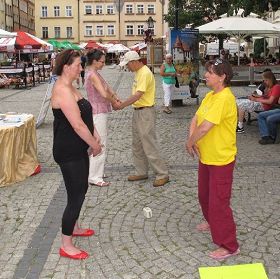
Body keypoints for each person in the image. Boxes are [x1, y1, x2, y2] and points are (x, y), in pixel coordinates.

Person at [186, 58, 240, 260]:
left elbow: (206, 126)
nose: (206, 74)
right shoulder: (210, 95)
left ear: (222, 77)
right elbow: (196, 119)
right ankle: (211, 221)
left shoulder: (225, 98)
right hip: (207, 157)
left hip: (221, 159)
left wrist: (191, 142)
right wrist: (191, 139)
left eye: (210, 72)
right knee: (204, 195)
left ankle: (230, 245)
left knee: (219, 202)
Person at [51, 49, 102, 260]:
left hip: (78, 147)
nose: (81, 68)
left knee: (81, 188)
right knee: (76, 195)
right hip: (68, 150)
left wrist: (95, 133)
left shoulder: (71, 86)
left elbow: (85, 115)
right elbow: (78, 125)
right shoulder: (62, 90)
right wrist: (95, 145)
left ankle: (75, 226)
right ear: (66, 67)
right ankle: (66, 243)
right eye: (78, 65)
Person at [118, 51, 169, 187]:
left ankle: (162, 174)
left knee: (149, 143)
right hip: (138, 111)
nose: (127, 67)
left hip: (145, 112)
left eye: (128, 64)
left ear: (134, 62)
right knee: (137, 144)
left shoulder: (144, 73)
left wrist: (122, 105)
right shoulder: (138, 72)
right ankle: (141, 171)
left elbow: (138, 95)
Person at [85, 49, 121, 186]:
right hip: (97, 111)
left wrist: (116, 98)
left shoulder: (96, 74)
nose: (103, 64)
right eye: (102, 61)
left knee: (99, 141)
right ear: (94, 61)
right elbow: (104, 94)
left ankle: (95, 171)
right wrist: (114, 102)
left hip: (99, 111)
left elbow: (108, 89)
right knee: (100, 143)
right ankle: (94, 176)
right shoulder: (93, 75)